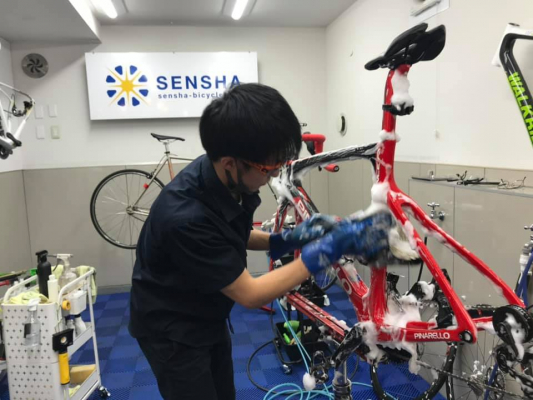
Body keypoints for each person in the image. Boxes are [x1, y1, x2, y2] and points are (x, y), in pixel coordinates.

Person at [128, 83, 390, 400]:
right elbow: (250, 294)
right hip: (172, 329)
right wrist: (324, 252)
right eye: (269, 169)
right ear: (230, 163)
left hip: (206, 309)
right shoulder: (185, 217)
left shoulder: (221, 175)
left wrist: (288, 239)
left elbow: (230, 235)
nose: (274, 177)